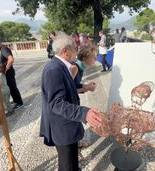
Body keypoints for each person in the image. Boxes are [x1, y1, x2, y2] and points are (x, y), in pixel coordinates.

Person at [40, 33, 104, 171]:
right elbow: (56, 103)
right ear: (66, 51)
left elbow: (69, 87)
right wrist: (84, 113)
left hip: (67, 123)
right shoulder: (54, 69)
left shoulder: (61, 66)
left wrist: (84, 87)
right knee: (67, 164)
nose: (77, 52)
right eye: (75, 48)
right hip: (61, 127)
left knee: (72, 160)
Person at [0, 36, 23, 110]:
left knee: (13, 88)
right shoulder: (2, 49)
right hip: (9, 72)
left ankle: (19, 103)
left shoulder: (4, 49)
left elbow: (11, 59)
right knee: (11, 87)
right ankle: (16, 101)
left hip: (9, 72)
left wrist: (6, 69)